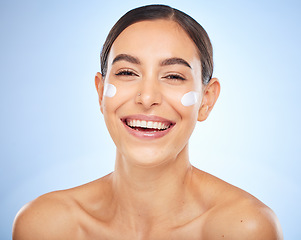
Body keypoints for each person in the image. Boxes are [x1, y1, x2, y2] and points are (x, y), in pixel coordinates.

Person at [12, 4, 283, 240]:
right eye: (128, 72)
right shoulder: (44, 225)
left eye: (174, 76)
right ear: (100, 92)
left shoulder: (245, 229)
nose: (147, 97)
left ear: (206, 100)